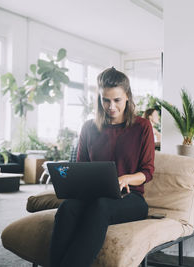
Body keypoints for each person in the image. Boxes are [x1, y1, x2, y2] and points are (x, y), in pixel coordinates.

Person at [49, 67, 155, 267]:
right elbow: (80, 167)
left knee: (101, 207)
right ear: (99, 99)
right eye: (105, 100)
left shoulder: (142, 127)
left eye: (117, 100)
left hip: (131, 199)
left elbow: (147, 172)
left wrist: (125, 179)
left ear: (128, 98)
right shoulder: (89, 127)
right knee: (68, 208)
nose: (111, 106)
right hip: (92, 196)